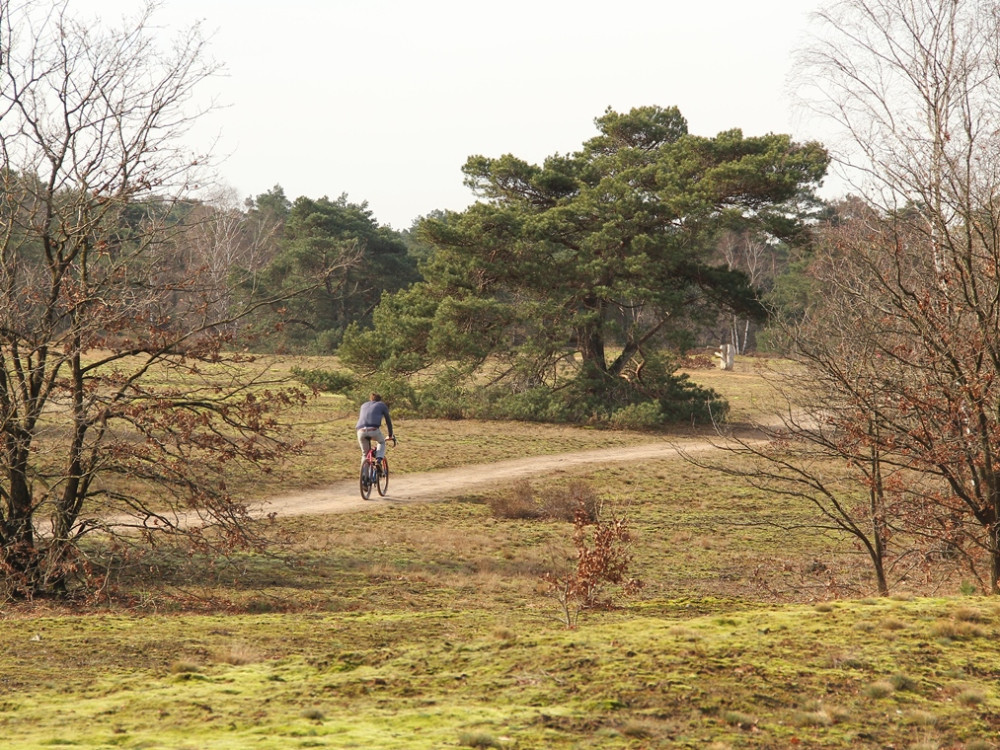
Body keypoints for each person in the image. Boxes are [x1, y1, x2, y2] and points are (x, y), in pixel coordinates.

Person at [356, 392, 394, 467]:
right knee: (381, 442)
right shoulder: (382, 405)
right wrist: (390, 435)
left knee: (365, 454)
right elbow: (388, 421)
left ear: (370, 399)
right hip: (373, 429)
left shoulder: (363, 405)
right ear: (380, 400)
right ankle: (378, 460)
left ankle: (364, 476)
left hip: (360, 431)